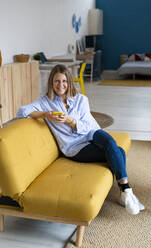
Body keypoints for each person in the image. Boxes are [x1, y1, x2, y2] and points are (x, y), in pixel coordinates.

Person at [16, 64, 144, 215]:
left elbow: (88, 126)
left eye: (64, 81)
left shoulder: (81, 99)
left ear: (69, 82)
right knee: (119, 151)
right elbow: (22, 111)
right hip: (74, 147)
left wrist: (71, 121)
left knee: (111, 143)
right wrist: (45, 114)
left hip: (90, 133)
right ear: (51, 83)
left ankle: (126, 192)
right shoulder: (45, 101)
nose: (60, 85)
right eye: (57, 81)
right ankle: (126, 192)